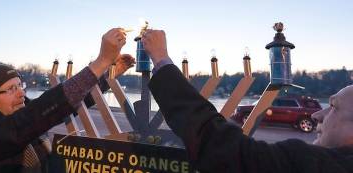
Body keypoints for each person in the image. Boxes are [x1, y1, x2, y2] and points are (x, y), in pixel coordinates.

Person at [141, 29, 353, 173]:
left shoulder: (314, 164)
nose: (317, 114)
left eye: (333, 106)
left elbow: (225, 150)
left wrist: (161, 59)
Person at [0, 28, 134, 172]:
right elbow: (35, 116)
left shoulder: (17, 117)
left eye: (20, 85)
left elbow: (63, 106)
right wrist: (100, 62)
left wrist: (106, 77)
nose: (21, 93)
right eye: (11, 89)